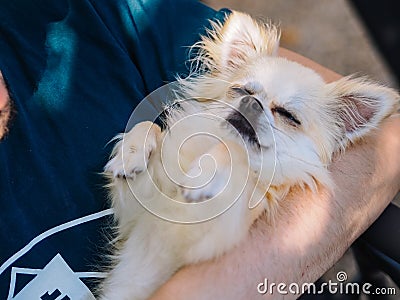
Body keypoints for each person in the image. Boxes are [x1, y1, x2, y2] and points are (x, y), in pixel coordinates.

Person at [0, 0, 398, 299]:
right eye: (243, 92)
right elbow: (133, 211)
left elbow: (389, 138)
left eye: (288, 116)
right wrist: (144, 137)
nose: (255, 108)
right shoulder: (179, 142)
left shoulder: (97, 12)